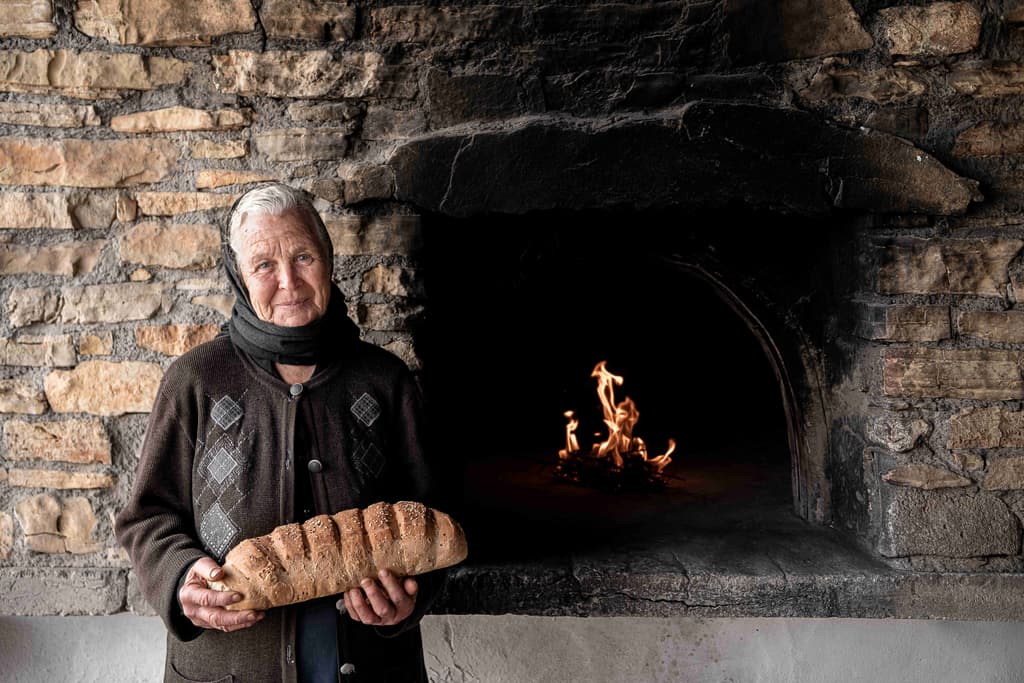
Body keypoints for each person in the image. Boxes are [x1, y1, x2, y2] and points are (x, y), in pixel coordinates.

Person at [115, 182, 443, 682]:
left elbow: (434, 516)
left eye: (303, 256)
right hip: (227, 668)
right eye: (264, 265)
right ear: (240, 277)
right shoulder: (196, 381)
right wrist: (182, 579)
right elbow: (148, 518)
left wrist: (408, 601)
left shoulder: (385, 381)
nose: (288, 281)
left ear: (328, 259)